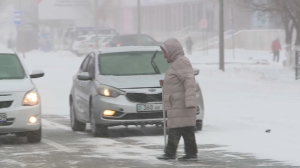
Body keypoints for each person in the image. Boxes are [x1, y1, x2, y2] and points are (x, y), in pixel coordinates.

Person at [157, 38, 198, 161]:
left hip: (182, 104)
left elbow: (189, 81)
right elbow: (179, 80)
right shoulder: (176, 63)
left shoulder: (180, 62)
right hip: (179, 103)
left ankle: (172, 154)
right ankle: (188, 153)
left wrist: (190, 101)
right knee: (184, 129)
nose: (164, 56)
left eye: (165, 52)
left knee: (178, 129)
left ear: (172, 51)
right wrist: (166, 83)